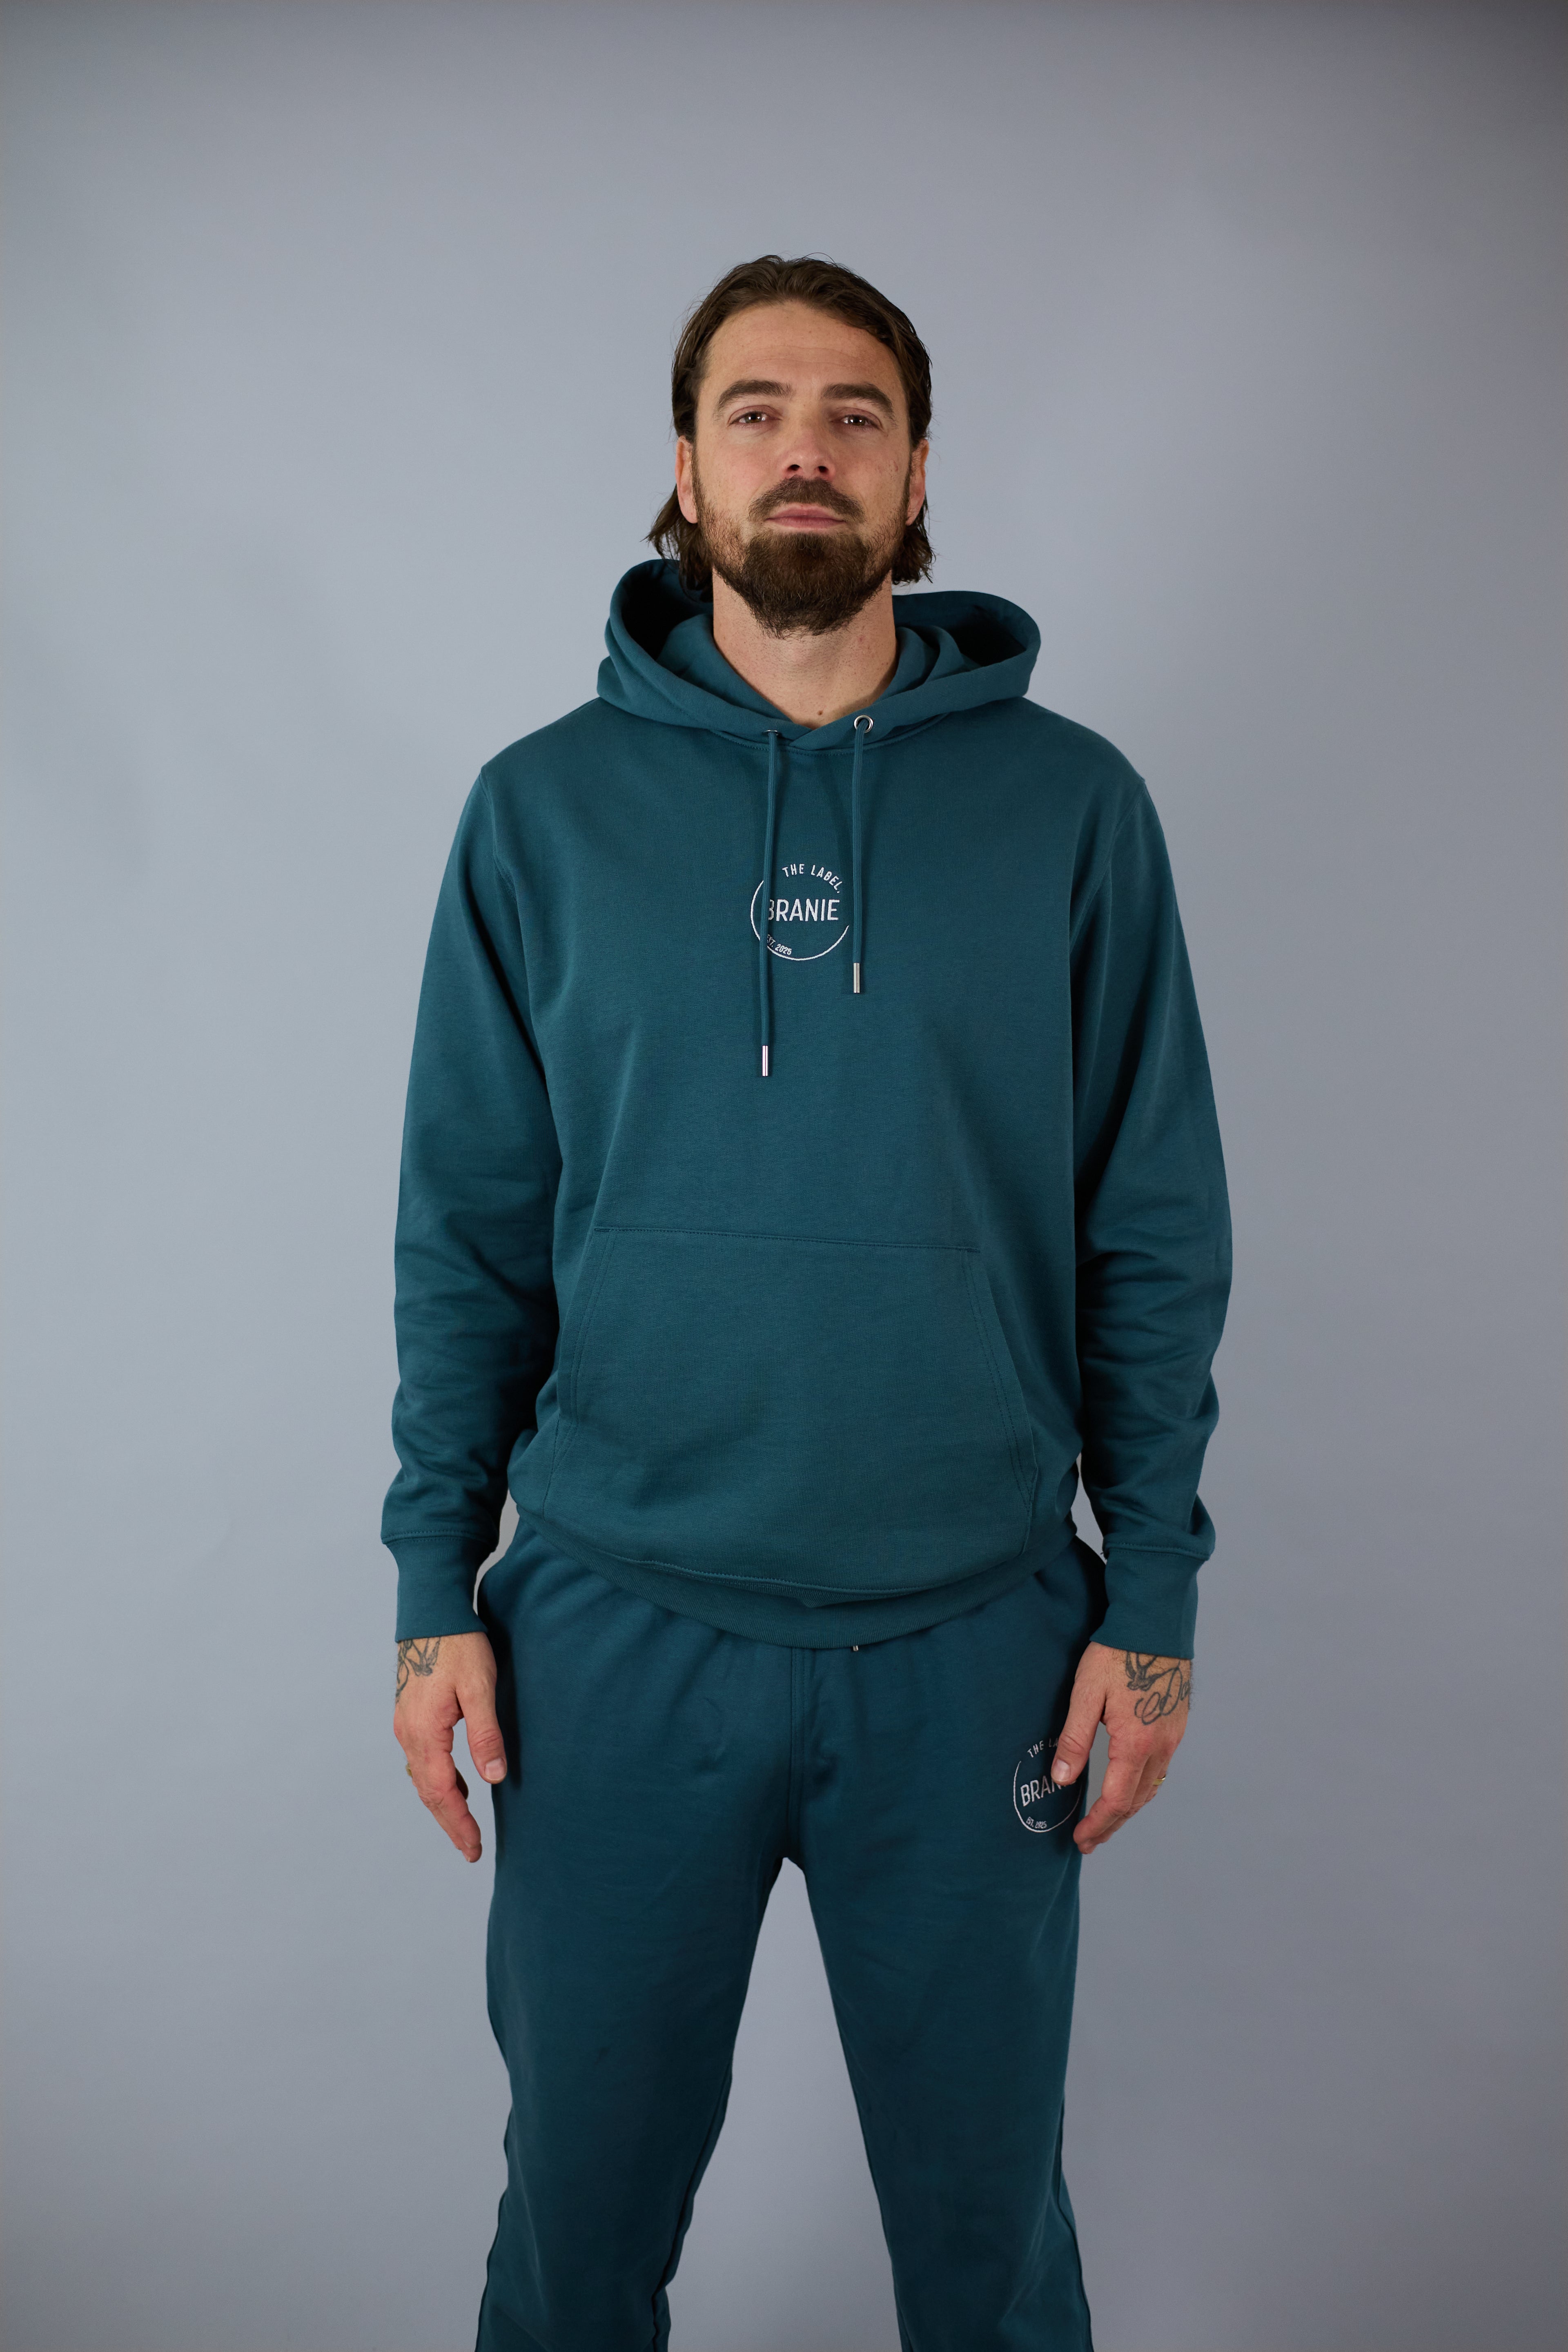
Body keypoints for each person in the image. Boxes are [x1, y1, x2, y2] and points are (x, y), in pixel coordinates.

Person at [384, 253, 1231, 2352]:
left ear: (918, 472)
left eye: (856, 414)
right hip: (611, 1635)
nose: (805, 451)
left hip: (974, 1643)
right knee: (575, 2247)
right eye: (753, 411)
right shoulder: (540, 813)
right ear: (684, 469)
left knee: (989, 2256)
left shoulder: (1074, 810)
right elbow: (469, 1229)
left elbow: (1152, 1227)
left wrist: (1152, 1598)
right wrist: (430, 1583)